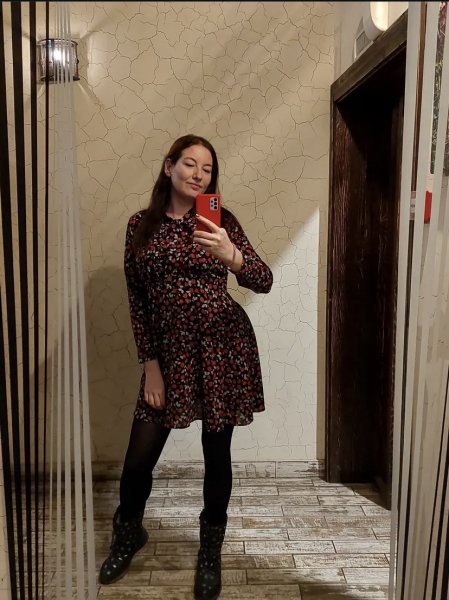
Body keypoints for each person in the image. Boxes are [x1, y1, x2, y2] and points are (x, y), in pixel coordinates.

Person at [99, 134, 273, 600]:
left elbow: (264, 279)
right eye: (190, 164)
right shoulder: (140, 225)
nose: (198, 174)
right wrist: (150, 365)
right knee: (138, 459)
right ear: (169, 166)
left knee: (217, 455)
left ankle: (210, 549)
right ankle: (129, 531)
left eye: (207, 168)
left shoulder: (221, 221)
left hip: (221, 348)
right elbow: (138, 301)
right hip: (168, 355)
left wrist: (231, 256)